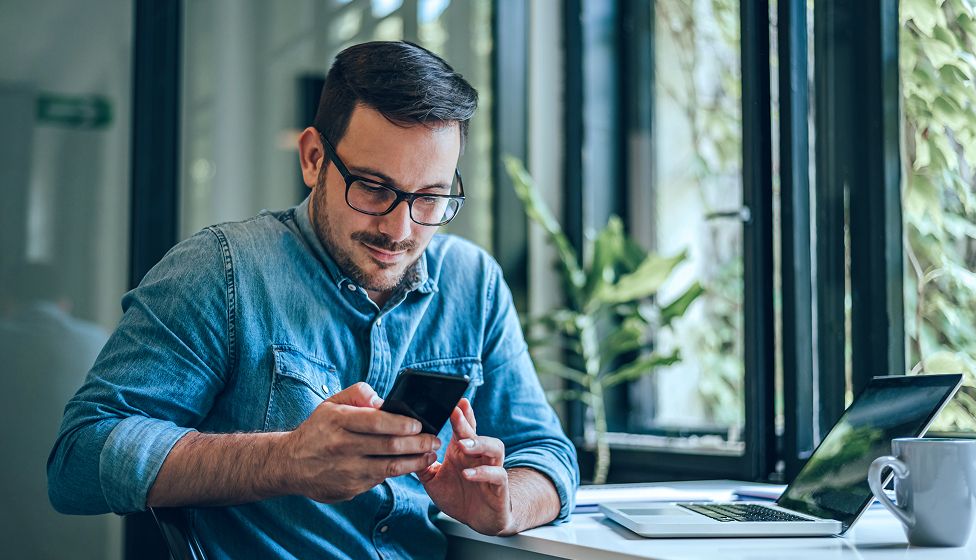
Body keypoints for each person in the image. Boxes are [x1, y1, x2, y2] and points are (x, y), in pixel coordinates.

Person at [48, 40, 578, 558]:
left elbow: (549, 455)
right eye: (373, 187)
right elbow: (78, 462)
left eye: (431, 198)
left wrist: (505, 505)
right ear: (313, 158)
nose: (399, 229)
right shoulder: (218, 272)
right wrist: (288, 460)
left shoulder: (474, 282)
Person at [0, 262, 111, 559]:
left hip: (10, 517)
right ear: (64, 304)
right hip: (83, 515)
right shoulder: (97, 341)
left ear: (8, 303)